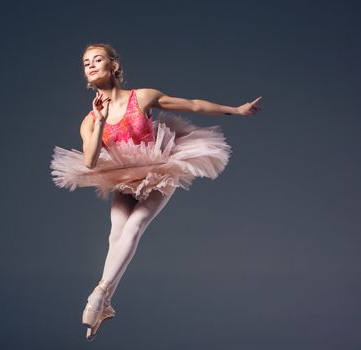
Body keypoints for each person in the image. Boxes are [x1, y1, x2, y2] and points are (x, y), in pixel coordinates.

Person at [50, 43, 262, 341]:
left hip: (159, 168)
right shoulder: (89, 120)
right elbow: (90, 161)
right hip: (123, 175)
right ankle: (104, 302)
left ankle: (98, 294)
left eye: (98, 59)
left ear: (113, 65)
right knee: (115, 235)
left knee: (135, 226)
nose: (91, 65)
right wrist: (98, 122)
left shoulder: (142, 97)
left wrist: (236, 110)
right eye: (86, 63)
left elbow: (193, 105)